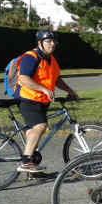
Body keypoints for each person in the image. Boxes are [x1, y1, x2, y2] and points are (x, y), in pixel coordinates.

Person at [15, 29, 78, 173]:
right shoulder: (30, 57)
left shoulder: (51, 60)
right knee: (40, 126)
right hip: (28, 99)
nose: (53, 44)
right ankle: (25, 162)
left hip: (42, 101)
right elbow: (24, 79)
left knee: (34, 130)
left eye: (54, 41)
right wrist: (43, 89)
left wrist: (69, 90)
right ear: (40, 43)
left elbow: (56, 79)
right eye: (48, 41)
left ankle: (31, 164)